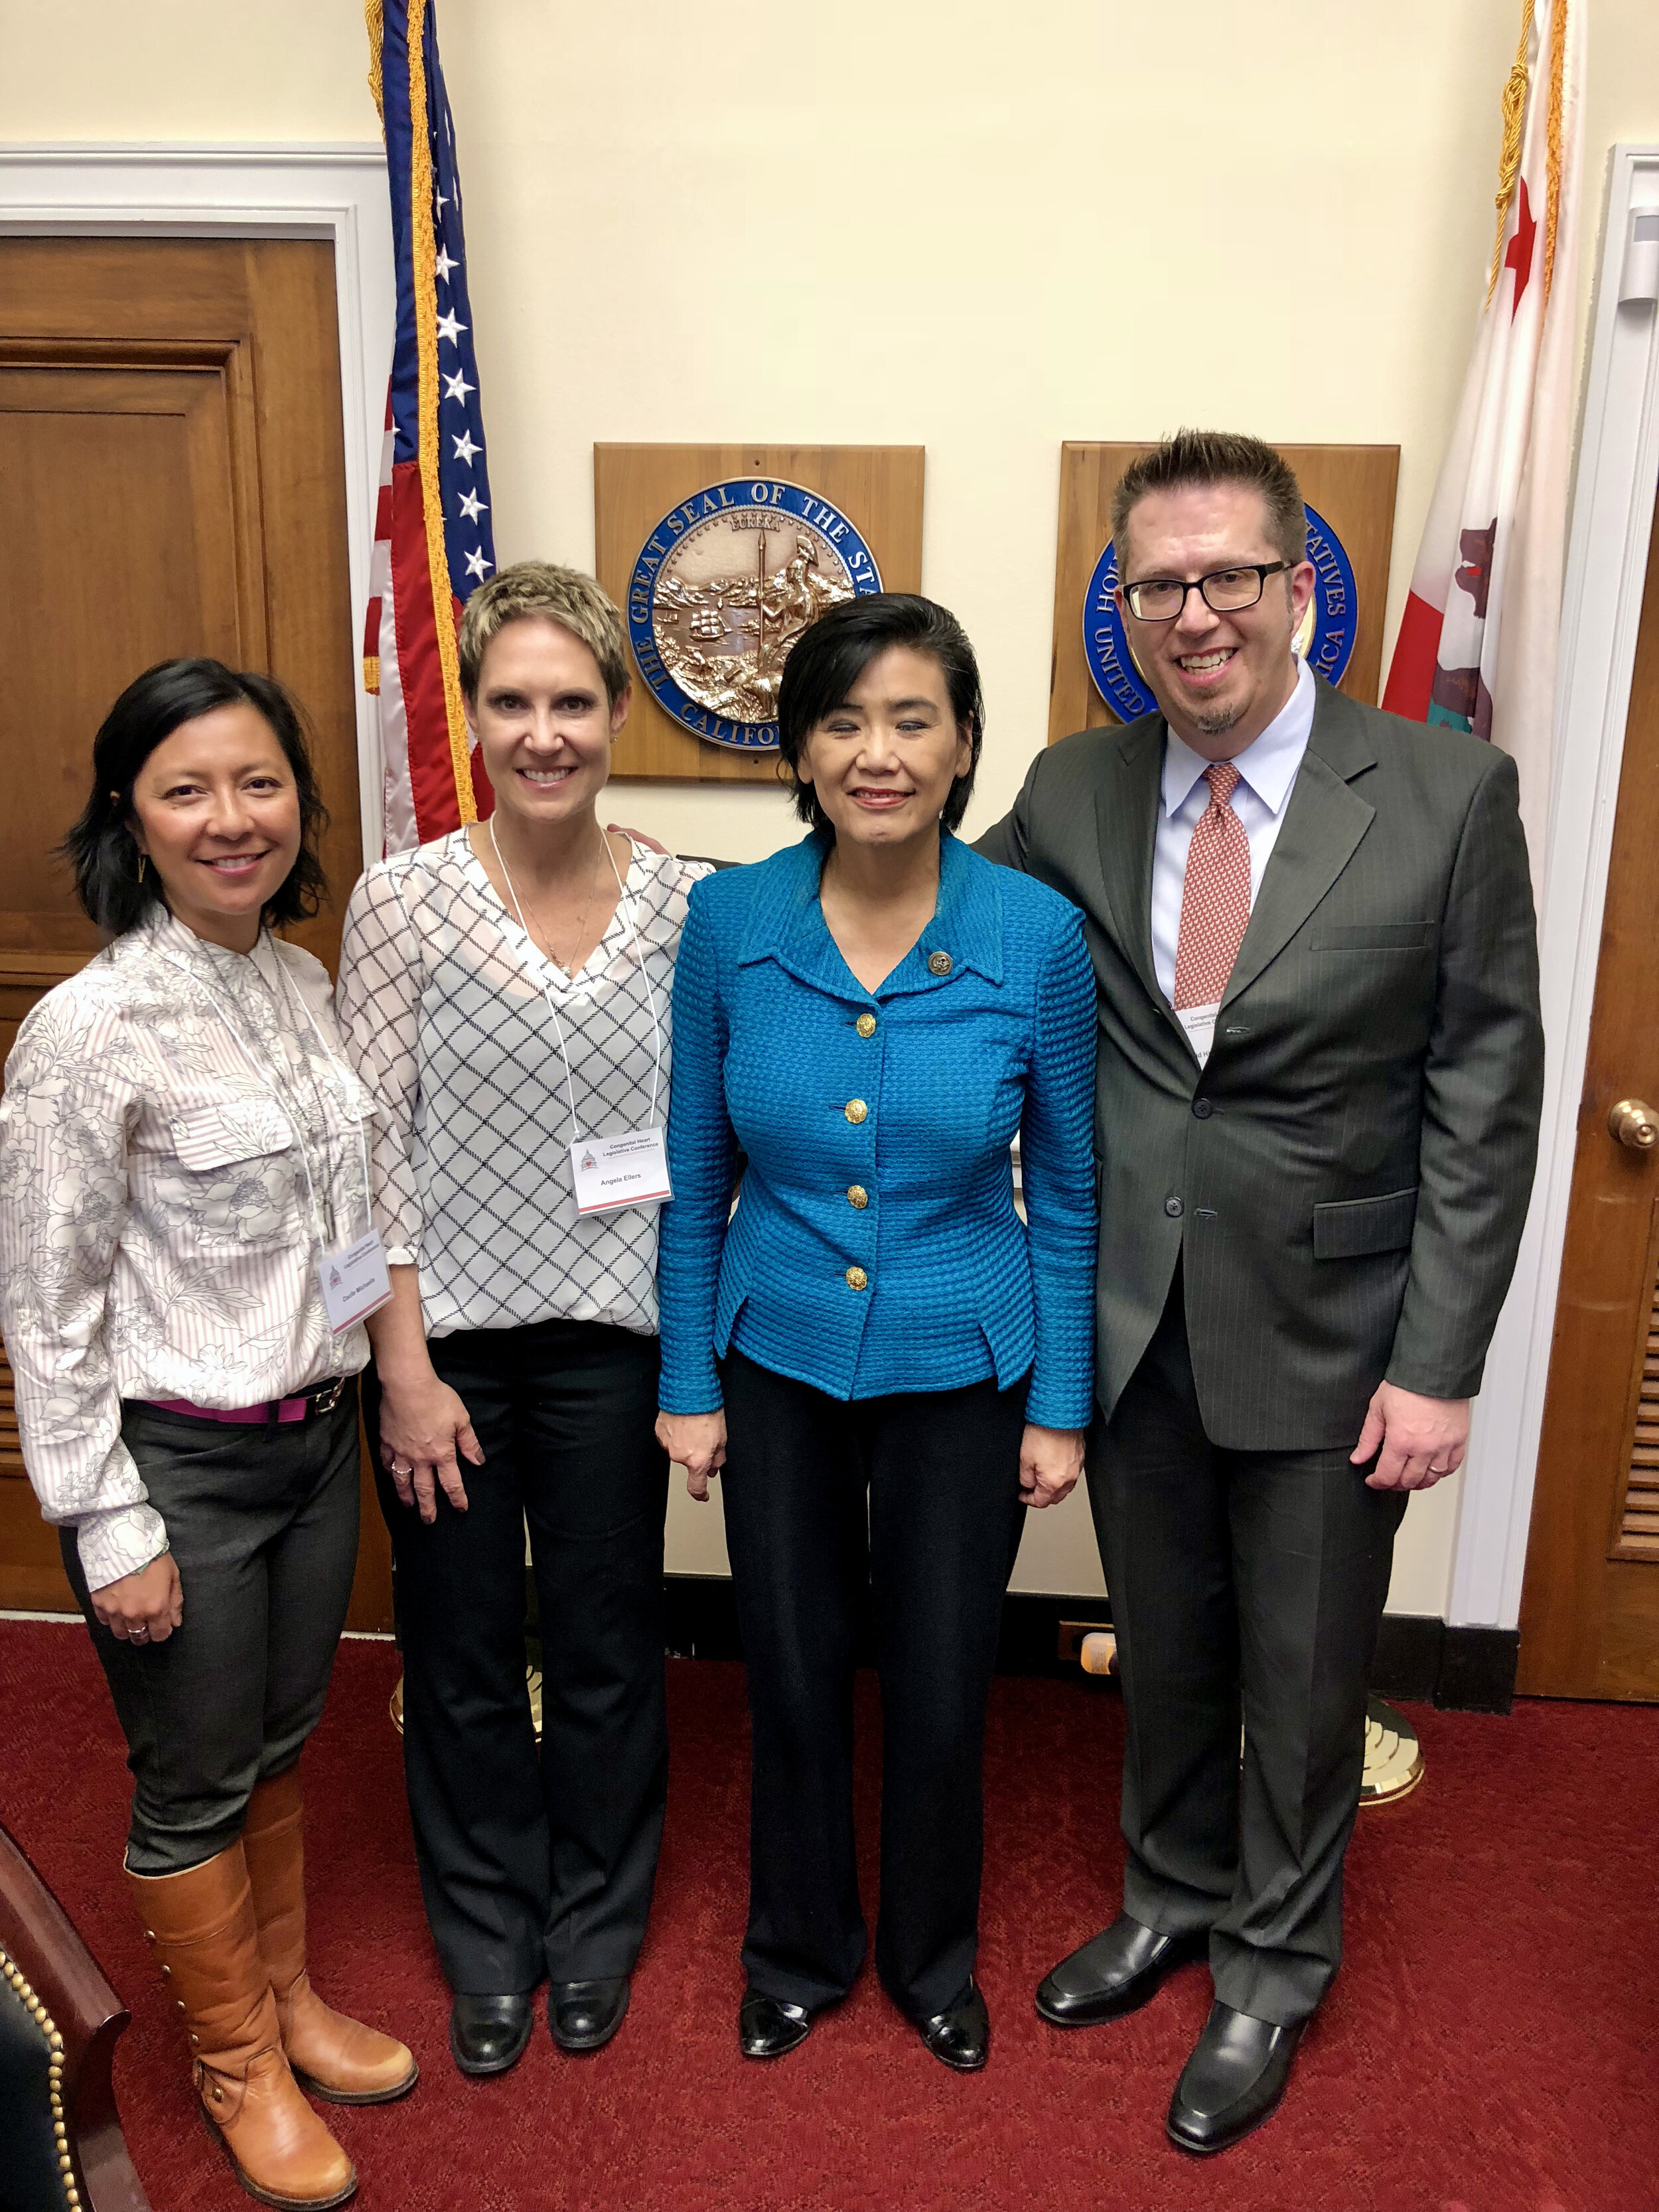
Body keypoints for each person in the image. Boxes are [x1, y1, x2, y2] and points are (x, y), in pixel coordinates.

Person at [977, 429, 1545, 2153]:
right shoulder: (1070, 791)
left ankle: (1274, 1965)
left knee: (1298, 1677)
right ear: (1124, 605)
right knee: (1163, 1643)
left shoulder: (1443, 792)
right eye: (1160, 582)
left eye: (1229, 574)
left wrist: (1438, 1362)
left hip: (1337, 1327)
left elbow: (1484, 1086)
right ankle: (1167, 1888)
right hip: (1130, 1314)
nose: (1195, 611)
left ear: (1297, 588)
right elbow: (925, 930)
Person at [656, 593, 1098, 2072]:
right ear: (799, 745)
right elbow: (694, 1167)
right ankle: (795, 1945)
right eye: (843, 719)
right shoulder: (727, 921)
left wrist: (1059, 1404)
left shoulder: (1033, 933)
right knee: (786, 1662)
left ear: (964, 742)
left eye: (912, 717)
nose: (877, 751)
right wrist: (683, 1379)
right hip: (769, 1350)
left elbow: (1076, 1187)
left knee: (939, 1670)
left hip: (965, 1362)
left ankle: (925, 1953)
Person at [0, 660, 416, 2212]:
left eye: (259, 782)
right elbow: (46, 1308)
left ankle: (289, 2001)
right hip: (177, 1461)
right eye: (188, 788)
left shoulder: (302, 984)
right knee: (189, 1778)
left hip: (314, 1438)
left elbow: (347, 1223)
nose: (232, 818)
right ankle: (233, 2057)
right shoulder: (89, 1027)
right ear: (133, 814)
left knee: (278, 1741)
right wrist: (105, 1520)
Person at [335, 563, 709, 2078]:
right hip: (449, 1353)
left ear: (616, 712)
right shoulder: (401, 900)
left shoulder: (693, 901)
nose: (542, 731)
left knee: (615, 1645)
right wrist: (405, 1372)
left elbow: (710, 1143)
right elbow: (370, 1150)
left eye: (570, 700)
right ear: (472, 717)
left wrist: (695, 1363)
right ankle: (488, 1933)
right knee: (466, 1647)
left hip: (619, 1344)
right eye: (511, 702)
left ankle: (596, 1926)